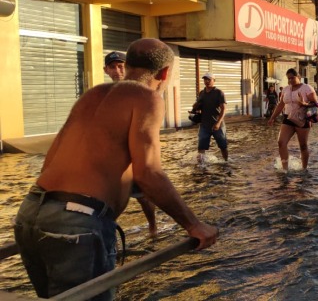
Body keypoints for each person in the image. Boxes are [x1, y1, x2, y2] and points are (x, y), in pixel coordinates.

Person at [13, 38, 218, 300]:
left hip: (31, 212)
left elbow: (52, 160)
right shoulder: (147, 97)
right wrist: (194, 225)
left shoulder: (93, 94)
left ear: (127, 64)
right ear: (165, 73)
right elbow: (149, 173)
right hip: (77, 223)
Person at [103, 51, 157, 237]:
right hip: (112, 158)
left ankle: (153, 226)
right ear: (106, 70)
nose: (117, 70)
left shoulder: (138, 92)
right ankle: (109, 233)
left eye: (121, 66)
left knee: (143, 197)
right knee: (108, 199)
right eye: (113, 67)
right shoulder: (103, 95)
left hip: (134, 155)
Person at [268, 68, 318, 171]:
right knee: (281, 142)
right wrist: (272, 117)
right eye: (288, 78)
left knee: (303, 145)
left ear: (298, 77)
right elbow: (281, 104)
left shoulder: (307, 88)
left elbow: (316, 104)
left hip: (303, 119)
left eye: (292, 78)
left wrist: (303, 104)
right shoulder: (286, 89)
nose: (290, 80)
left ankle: (304, 168)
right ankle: (285, 169)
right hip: (288, 118)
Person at [194, 73, 228, 162]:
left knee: (223, 146)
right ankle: (201, 167)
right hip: (204, 125)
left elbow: (224, 109)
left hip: (218, 125)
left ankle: (226, 161)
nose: (207, 81)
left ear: (214, 81)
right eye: (205, 79)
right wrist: (195, 108)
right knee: (201, 148)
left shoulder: (219, 93)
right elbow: (198, 107)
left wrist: (218, 123)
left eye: (209, 79)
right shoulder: (201, 93)